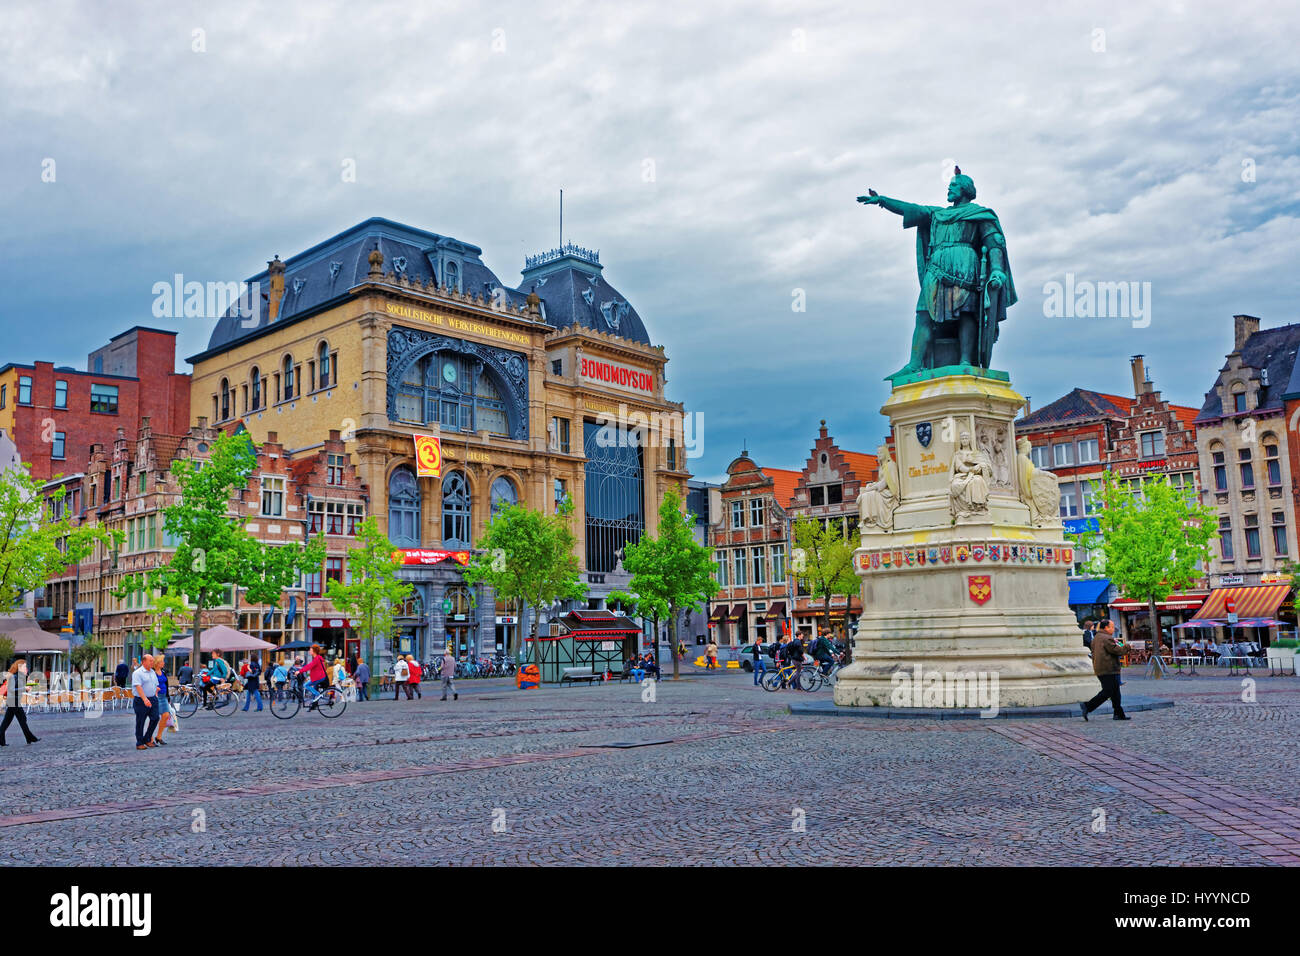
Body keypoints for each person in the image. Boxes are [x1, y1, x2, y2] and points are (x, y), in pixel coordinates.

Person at [1080, 619, 1129, 721]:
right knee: (1108, 691)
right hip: (1108, 668)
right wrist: (1127, 647)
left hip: (1100, 667)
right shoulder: (1106, 638)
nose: (1113, 629)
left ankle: (1118, 713)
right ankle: (1087, 706)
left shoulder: (1097, 637)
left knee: (1115, 692)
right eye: (1111, 627)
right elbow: (1117, 650)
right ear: (1106, 628)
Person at [0, 658, 38, 745]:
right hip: (13, 701)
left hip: (14, 700)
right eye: (25, 667)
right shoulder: (15, 676)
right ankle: (30, 738)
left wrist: (29, 686)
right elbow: (12, 689)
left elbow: (19, 689)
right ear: (19, 667)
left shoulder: (19, 676)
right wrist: (24, 688)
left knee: (8, 721)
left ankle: (2, 740)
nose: (26, 668)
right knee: (21, 719)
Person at [132, 654, 161, 750]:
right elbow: (138, 687)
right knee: (140, 721)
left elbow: (155, 684)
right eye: (150, 661)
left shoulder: (152, 672)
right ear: (144, 662)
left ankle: (147, 738)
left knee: (155, 718)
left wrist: (156, 693)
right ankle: (139, 742)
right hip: (141, 700)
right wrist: (145, 699)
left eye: (153, 660)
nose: (153, 662)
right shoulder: (138, 673)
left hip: (153, 698)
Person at [151, 657, 173, 744]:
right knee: (154, 718)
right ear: (157, 663)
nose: (163, 663)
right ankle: (150, 737)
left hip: (163, 697)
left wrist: (168, 697)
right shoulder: (152, 673)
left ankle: (159, 736)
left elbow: (166, 685)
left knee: (166, 715)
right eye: (162, 661)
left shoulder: (163, 672)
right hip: (155, 696)